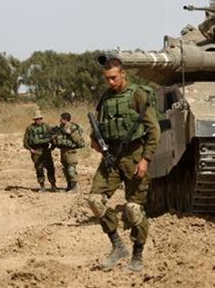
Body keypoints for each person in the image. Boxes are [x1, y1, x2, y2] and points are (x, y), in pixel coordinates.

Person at [88, 58, 160, 273]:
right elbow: (99, 125)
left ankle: (137, 256)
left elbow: (153, 129)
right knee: (95, 200)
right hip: (111, 157)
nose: (110, 82)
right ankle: (118, 246)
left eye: (113, 77)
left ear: (123, 74)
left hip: (134, 156)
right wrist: (95, 140)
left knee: (133, 208)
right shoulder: (106, 97)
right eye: (107, 78)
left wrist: (146, 159)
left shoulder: (137, 94)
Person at [23, 109, 57, 192]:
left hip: (46, 150)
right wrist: (30, 149)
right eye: (36, 119)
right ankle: (42, 186)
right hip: (36, 151)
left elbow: (53, 137)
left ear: (42, 119)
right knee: (39, 168)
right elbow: (25, 141)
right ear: (34, 120)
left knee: (50, 168)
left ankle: (53, 185)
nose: (38, 120)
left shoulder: (46, 127)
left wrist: (52, 147)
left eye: (40, 119)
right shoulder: (30, 128)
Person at [51, 112, 85, 193]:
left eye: (61, 118)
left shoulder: (72, 128)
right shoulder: (61, 128)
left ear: (65, 119)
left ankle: (74, 187)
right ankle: (69, 186)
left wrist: (71, 133)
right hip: (63, 151)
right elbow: (58, 139)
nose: (60, 120)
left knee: (71, 169)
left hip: (71, 152)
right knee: (65, 169)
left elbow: (80, 142)